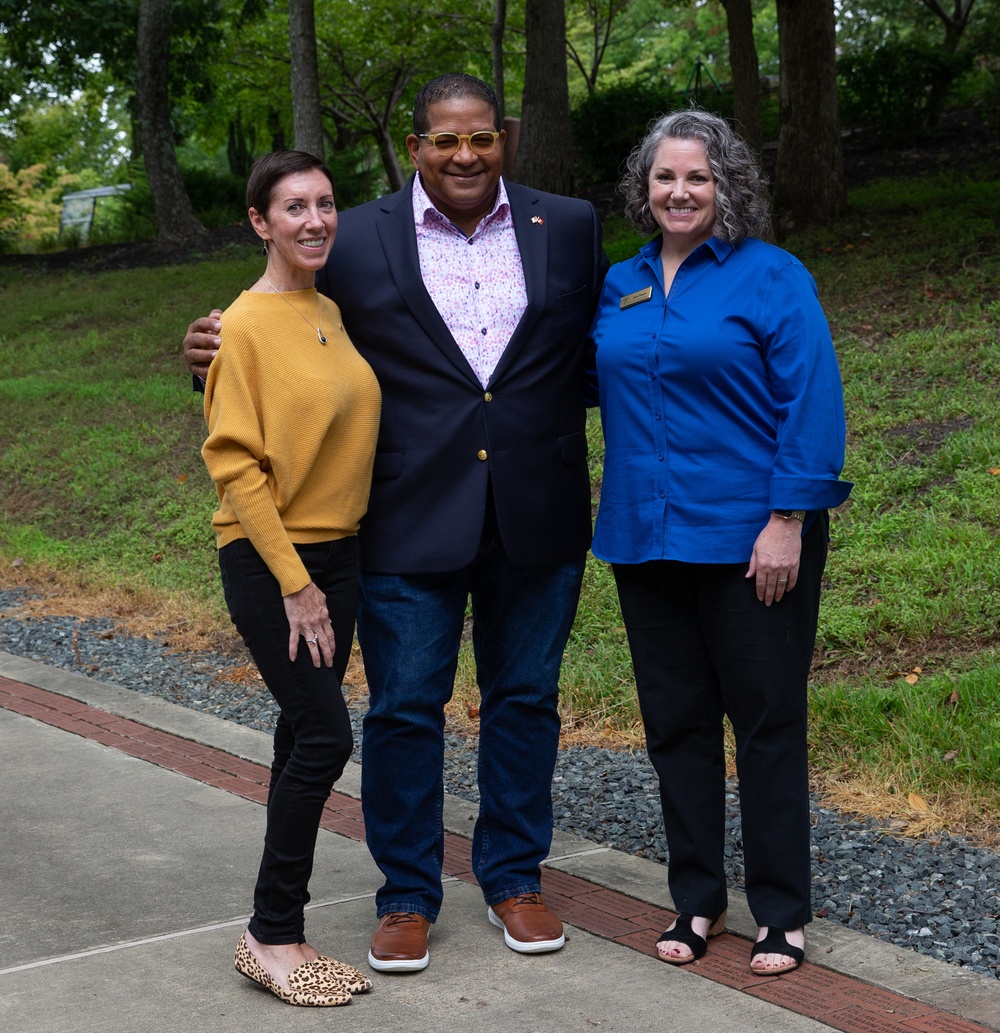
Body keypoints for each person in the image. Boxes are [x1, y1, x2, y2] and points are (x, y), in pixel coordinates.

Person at [186, 74, 608, 973]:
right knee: (406, 708)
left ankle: (514, 877)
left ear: (507, 138)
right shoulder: (356, 235)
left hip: (539, 511)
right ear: (414, 146)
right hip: (406, 515)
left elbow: (593, 353)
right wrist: (206, 354)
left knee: (526, 700)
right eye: (446, 140)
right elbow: (281, 319)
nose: (466, 155)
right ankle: (408, 892)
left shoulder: (567, 226)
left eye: (483, 138)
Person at [586, 109, 851, 976]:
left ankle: (782, 912)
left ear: (726, 185)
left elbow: (810, 404)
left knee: (767, 722)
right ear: (644, 186)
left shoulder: (772, 277)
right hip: (646, 538)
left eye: (697, 176)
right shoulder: (619, 283)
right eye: (665, 176)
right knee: (676, 726)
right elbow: (562, 378)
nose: (680, 191)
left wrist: (787, 522)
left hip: (750, 544)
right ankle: (697, 898)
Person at [201, 149, 381, 1004]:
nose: (315, 220)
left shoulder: (330, 311)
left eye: (325, 203)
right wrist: (294, 582)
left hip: (337, 555)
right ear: (260, 222)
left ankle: (270, 929)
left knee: (297, 734)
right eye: (294, 207)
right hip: (275, 560)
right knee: (323, 735)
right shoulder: (242, 325)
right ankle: (274, 932)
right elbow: (235, 465)